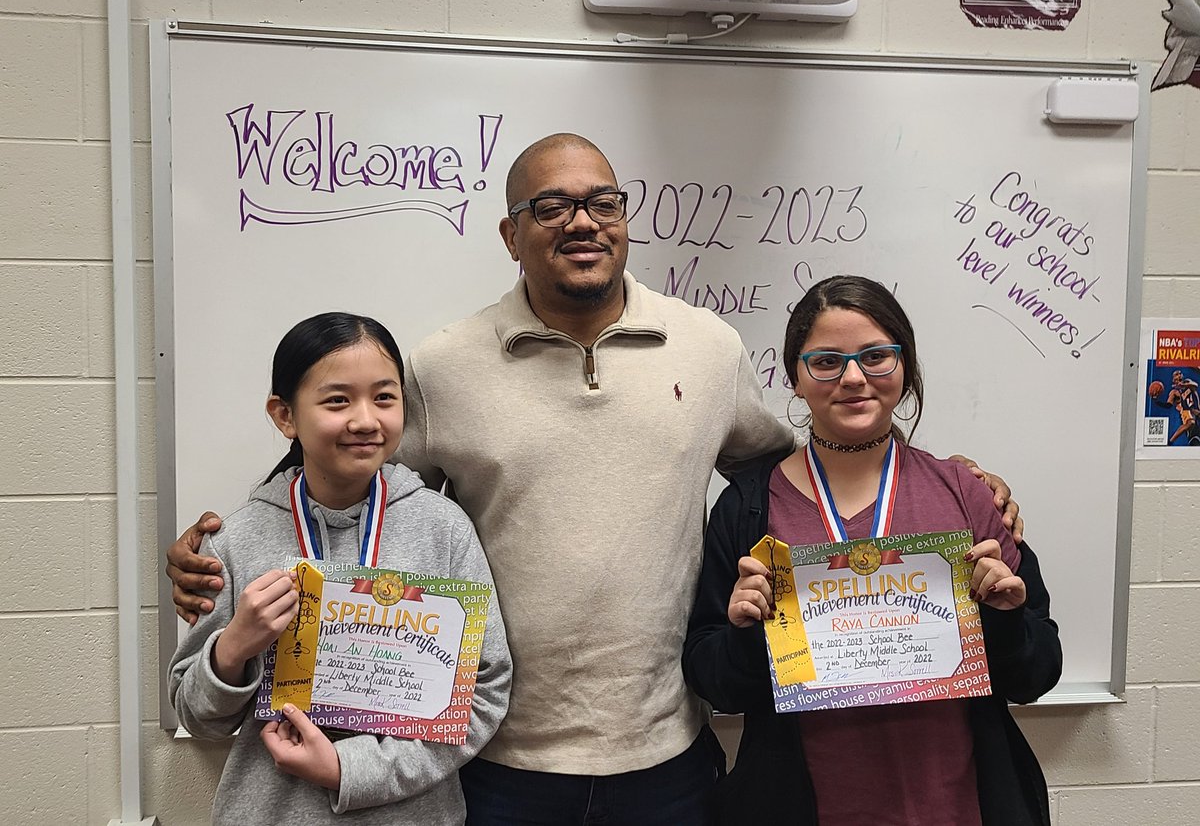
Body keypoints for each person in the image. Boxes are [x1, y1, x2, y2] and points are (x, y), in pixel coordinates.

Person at [167, 135, 1024, 824]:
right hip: (501, 761)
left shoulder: (708, 348)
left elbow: (792, 468)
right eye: (551, 205)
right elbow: (356, 473)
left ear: (623, 218)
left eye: (603, 202)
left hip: (670, 754)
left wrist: (944, 477)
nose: (582, 221)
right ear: (511, 233)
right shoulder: (442, 365)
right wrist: (232, 542)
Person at [682, 275, 1061, 826]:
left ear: (904, 368)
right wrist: (744, 634)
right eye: (826, 361)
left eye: (876, 356)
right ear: (794, 378)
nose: (854, 378)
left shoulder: (964, 492)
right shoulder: (748, 508)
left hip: (959, 807)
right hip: (804, 806)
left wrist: (1002, 621)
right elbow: (712, 678)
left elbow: (1038, 673)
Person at [168, 312, 511, 825]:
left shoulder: (443, 527)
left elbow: (482, 691)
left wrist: (348, 769)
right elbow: (199, 719)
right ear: (285, 416)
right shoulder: (234, 540)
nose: (365, 419)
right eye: (337, 400)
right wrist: (233, 648)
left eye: (384, 397)